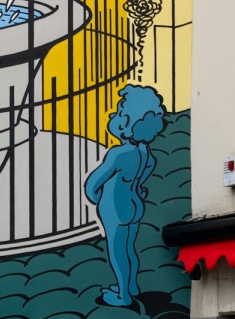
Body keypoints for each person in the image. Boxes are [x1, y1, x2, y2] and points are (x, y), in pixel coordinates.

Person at [84, 84, 166, 308]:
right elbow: (147, 170)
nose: (115, 115)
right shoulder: (144, 152)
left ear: (128, 121)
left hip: (115, 208)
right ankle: (132, 286)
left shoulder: (118, 153)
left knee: (117, 251)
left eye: (120, 112)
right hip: (134, 204)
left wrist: (96, 197)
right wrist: (137, 187)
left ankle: (123, 295)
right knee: (129, 248)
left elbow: (93, 183)